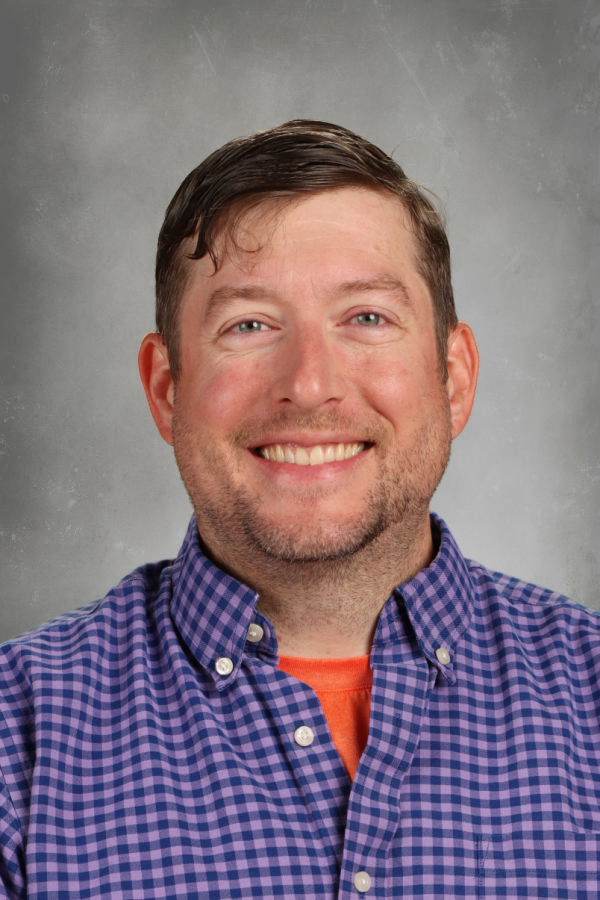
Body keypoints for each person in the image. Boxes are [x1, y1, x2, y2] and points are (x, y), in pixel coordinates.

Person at [1, 120, 599, 900]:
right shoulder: (19, 742)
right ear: (166, 389)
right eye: (249, 325)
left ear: (453, 380)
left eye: (367, 318)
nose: (310, 384)